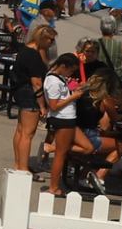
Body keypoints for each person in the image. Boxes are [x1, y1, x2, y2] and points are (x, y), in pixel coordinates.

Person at [11, 25, 55, 172]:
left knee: (20, 130)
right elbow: (36, 83)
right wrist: (42, 105)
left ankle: (18, 164)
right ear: (43, 39)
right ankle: (23, 168)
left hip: (20, 91)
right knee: (27, 134)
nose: (52, 43)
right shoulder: (34, 55)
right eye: (51, 40)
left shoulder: (25, 50)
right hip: (30, 95)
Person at [42, 53, 85, 194]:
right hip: (62, 118)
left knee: (87, 147)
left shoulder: (57, 77)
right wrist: (73, 97)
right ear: (63, 66)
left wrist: (72, 91)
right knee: (61, 154)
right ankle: (53, 187)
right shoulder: (53, 81)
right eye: (70, 70)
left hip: (68, 118)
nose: (71, 73)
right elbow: (54, 106)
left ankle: (52, 148)